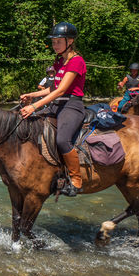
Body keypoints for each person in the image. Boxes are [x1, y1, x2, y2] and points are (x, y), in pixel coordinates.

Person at [19, 22, 87, 197]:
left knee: (63, 140)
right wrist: (33, 95)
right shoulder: (59, 61)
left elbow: (62, 90)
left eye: (58, 42)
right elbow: (52, 88)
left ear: (70, 41)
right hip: (57, 104)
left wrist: (34, 106)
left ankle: (76, 180)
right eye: (53, 42)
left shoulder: (76, 61)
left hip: (72, 105)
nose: (54, 45)